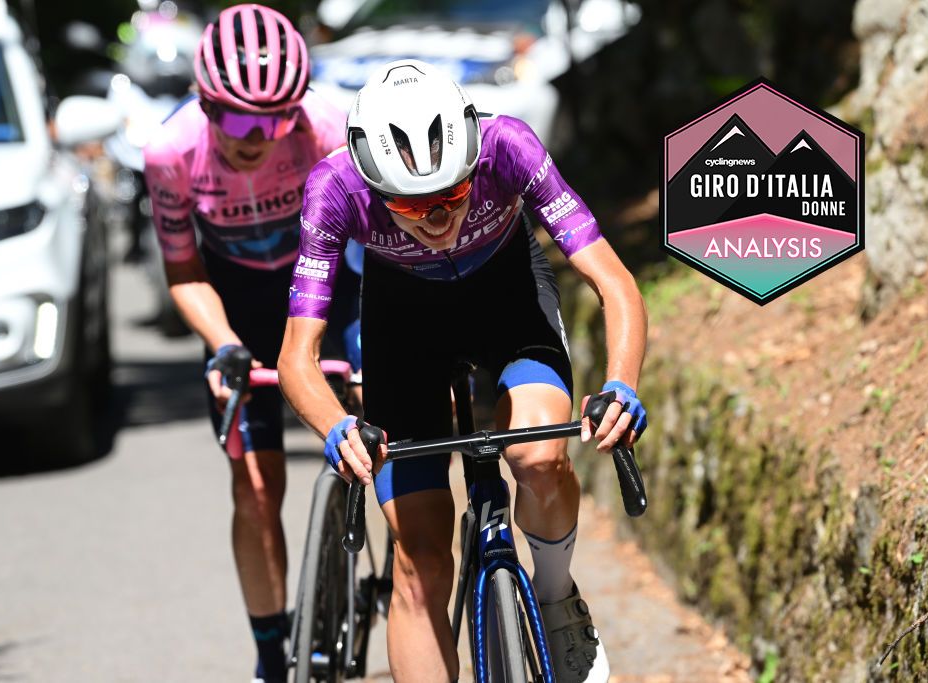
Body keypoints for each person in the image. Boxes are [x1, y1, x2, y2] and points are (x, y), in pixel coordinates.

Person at [278, 59, 649, 682]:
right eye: (410, 205)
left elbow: (615, 284)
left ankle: (557, 598)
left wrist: (621, 384)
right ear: (372, 186)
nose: (435, 218)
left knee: (539, 460)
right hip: (404, 325)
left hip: (509, 304)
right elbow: (297, 355)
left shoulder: (508, 146)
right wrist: (337, 427)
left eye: (451, 195)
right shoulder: (334, 189)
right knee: (417, 562)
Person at [142, 6, 359, 682]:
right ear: (206, 104)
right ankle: (271, 654)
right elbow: (183, 269)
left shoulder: (322, 128)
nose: (258, 137)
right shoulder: (170, 153)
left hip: (331, 293)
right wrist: (223, 344)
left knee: (391, 448)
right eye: (239, 120)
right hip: (236, 310)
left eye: (275, 119)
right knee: (257, 488)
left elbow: (372, 243)